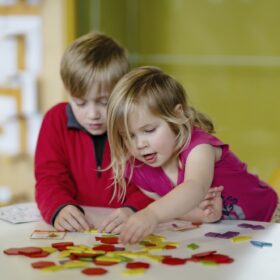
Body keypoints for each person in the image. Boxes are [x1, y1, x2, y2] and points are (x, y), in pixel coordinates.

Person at [103, 66, 279, 244]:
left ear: (176, 114)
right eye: (129, 136)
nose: (140, 144)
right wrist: (205, 216)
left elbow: (195, 187)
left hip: (270, 218)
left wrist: (152, 213)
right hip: (237, 235)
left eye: (149, 130)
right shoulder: (138, 169)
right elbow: (179, 208)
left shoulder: (199, 147)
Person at [34, 32, 156, 232]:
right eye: (80, 102)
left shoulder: (136, 123)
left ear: (122, 91)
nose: (92, 114)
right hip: (78, 230)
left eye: (104, 102)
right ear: (67, 90)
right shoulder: (55, 120)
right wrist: (59, 207)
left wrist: (134, 210)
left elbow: (154, 181)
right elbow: (49, 178)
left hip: (127, 229)